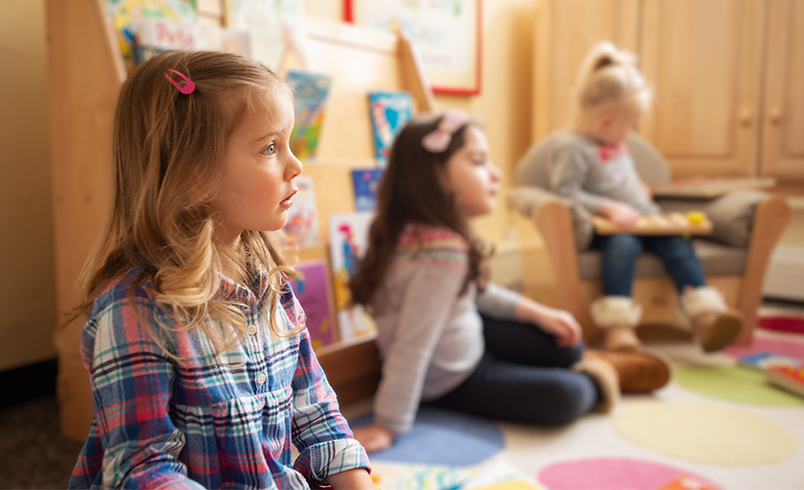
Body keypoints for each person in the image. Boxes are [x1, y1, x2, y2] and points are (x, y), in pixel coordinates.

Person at [68, 51, 374, 490]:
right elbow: (144, 469)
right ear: (194, 173)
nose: (296, 165)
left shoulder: (272, 285)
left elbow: (317, 411)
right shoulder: (135, 312)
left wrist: (356, 480)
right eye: (270, 147)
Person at [347, 111, 671, 454]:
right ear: (433, 177)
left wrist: (537, 313)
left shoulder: (424, 235)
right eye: (478, 161)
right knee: (568, 396)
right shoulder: (439, 255)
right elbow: (412, 346)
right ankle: (606, 371)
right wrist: (387, 424)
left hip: (468, 339)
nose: (496, 173)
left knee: (566, 343)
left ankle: (582, 357)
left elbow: (475, 293)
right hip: (451, 379)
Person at [518, 41, 742, 353]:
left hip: (645, 218)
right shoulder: (570, 148)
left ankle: (705, 316)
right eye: (632, 125)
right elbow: (565, 192)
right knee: (624, 248)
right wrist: (608, 207)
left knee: (678, 243)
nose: (633, 133)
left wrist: (642, 189)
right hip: (612, 228)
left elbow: (627, 178)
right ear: (607, 121)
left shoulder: (619, 146)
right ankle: (618, 327)